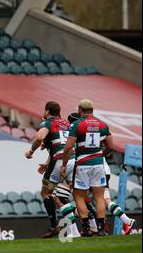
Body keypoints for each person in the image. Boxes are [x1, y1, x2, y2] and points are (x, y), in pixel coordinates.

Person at [67, 112, 136, 235]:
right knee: (100, 199)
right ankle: (104, 224)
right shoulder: (93, 130)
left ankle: (121, 221)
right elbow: (108, 144)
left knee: (93, 198)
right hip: (101, 167)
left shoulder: (77, 133)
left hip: (92, 168)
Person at [24, 101, 76, 238]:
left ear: (47, 111)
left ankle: (54, 226)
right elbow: (63, 144)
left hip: (60, 162)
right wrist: (47, 163)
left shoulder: (47, 123)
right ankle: (81, 230)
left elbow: (39, 137)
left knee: (46, 193)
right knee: (67, 196)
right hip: (74, 160)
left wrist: (31, 151)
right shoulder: (67, 123)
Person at [61, 99, 112, 237]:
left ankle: (87, 229)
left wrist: (64, 165)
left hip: (82, 164)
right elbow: (111, 146)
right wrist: (102, 155)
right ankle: (101, 229)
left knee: (79, 196)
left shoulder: (76, 125)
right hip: (98, 164)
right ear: (92, 110)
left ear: (79, 110)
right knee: (99, 197)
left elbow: (68, 147)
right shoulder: (103, 124)